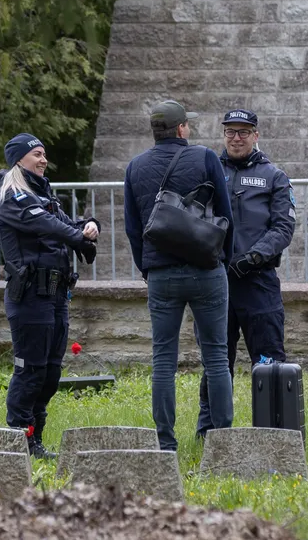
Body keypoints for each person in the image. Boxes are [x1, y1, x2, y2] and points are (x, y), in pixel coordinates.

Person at [123, 100, 235, 451]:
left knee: (163, 359)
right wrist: (222, 260)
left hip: (161, 273)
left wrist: (147, 267)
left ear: (154, 130)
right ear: (182, 128)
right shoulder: (205, 158)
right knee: (216, 356)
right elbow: (227, 215)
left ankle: (165, 444)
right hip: (206, 268)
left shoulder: (135, 167)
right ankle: (221, 441)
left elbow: (132, 227)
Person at [0, 132, 99, 459]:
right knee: (30, 370)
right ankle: (19, 441)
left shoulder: (43, 194)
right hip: (30, 297)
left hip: (56, 295)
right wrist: (79, 237)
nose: (43, 159)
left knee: (51, 373)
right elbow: (49, 227)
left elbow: (65, 223)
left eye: (44, 154)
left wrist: (90, 226)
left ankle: (35, 441)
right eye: (36, 154)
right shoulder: (11, 196)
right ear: (18, 159)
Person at [196, 109, 296, 437]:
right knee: (215, 361)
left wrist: (253, 257)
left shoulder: (274, 176)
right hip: (216, 281)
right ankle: (210, 433)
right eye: (230, 132)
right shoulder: (208, 172)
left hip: (258, 282)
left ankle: (277, 433)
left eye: (243, 132)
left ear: (256, 135)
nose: (236, 138)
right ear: (223, 135)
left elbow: (283, 227)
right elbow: (192, 218)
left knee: (269, 360)